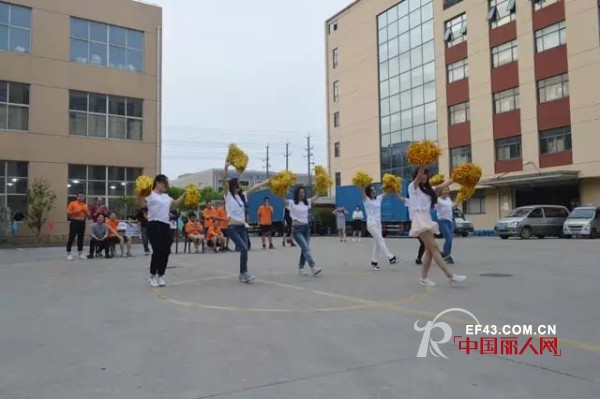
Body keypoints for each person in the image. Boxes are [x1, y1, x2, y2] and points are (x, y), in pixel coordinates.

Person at [408, 167, 466, 286]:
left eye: (426, 174)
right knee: (434, 248)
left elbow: (442, 186)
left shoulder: (428, 189)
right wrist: (423, 162)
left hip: (427, 219)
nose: (424, 176)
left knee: (429, 250)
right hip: (419, 219)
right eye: (422, 174)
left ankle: (424, 278)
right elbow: (418, 177)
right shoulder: (412, 187)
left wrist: (456, 178)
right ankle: (450, 276)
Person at [223, 161, 270, 283]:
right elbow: (223, 180)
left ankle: (242, 273)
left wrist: (267, 182)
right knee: (243, 248)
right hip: (232, 228)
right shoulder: (228, 195)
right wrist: (226, 167)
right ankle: (244, 273)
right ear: (233, 185)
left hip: (242, 228)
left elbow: (254, 188)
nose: (240, 184)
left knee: (245, 249)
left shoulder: (242, 196)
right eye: (238, 183)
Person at [141, 174, 185, 288]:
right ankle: (152, 276)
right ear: (158, 182)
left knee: (166, 251)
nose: (166, 186)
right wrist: (140, 192)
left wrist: (184, 194)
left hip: (166, 225)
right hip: (154, 224)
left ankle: (160, 275)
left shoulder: (166, 196)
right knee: (157, 250)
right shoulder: (150, 194)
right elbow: (141, 203)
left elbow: (175, 204)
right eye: (165, 183)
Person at [281, 186, 322, 276]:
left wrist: (320, 186)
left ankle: (301, 268)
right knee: (306, 249)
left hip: (306, 229)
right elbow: (283, 200)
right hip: (297, 230)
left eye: (303, 192)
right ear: (297, 193)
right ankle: (313, 266)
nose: (302, 194)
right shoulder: (292, 203)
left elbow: (316, 196)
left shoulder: (307, 202)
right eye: (300, 192)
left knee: (304, 249)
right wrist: (281, 190)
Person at [361, 185, 399, 270]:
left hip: (378, 224)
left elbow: (386, 193)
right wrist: (362, 184)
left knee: (377, 243)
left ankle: (374, 261)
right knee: (381, 240)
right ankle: (391, 257)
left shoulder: (378, 198)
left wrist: (392, 184)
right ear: (368, 193)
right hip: (371, 224)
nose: (374, 192)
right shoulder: (366, 200)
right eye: (372, 191)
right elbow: (362, 192)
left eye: (374, 190)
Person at [66, 192, 89, 261]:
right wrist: (76, 211)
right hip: (75, 221)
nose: (81, 197)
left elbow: (88, 215)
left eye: (82, 196)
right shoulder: (72, 203)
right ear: (77, 197)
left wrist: (86, 211)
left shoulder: (85, 205)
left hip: (82, 222)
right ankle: (69, 254)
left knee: (81, 238)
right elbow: (68, 213)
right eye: (79, 196)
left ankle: (80, 253)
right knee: (72, 237)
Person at [436, 186, 455, 264]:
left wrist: (461, 197)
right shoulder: (438, 200)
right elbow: (433, 206)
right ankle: (446, 255)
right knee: (448, 238)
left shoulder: (449, 199)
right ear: (441, 191)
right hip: (442, 221)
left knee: (450, 239)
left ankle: (447, 254)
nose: (445, 192)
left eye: (447, 190)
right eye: (444, 190)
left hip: (450, 221)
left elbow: (453, 206)